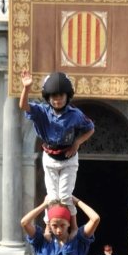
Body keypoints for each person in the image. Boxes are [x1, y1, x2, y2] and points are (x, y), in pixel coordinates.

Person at [19, 71, 95, 216]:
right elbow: (23, 106)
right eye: (54, 96)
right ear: (48, 98)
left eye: (61, 96)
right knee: (53, 198)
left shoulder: (76, 115)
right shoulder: (42, 112)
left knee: (65, 197)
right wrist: (26, 88)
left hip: (69, 159)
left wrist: (77, 143)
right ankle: (49, 225)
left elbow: (90, 129)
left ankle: (72, 226)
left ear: (67, 96)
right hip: (50, 158)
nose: (57, 100)